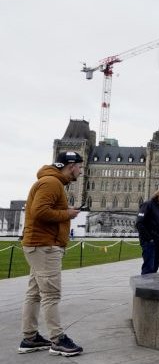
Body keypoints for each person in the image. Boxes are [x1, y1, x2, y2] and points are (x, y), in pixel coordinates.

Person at [19, 151, 84, 356]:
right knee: (51, 294)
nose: (81, 172)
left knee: (35, 293)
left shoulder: (52, 182)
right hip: (44, 246)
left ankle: (30, 338)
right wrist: (67, 214)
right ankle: (58, 340)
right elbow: (39, 211)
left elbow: (44, 209)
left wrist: (66, 211)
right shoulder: (51, 183)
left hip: (40, 244)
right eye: (79, 167)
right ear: (71, 165)